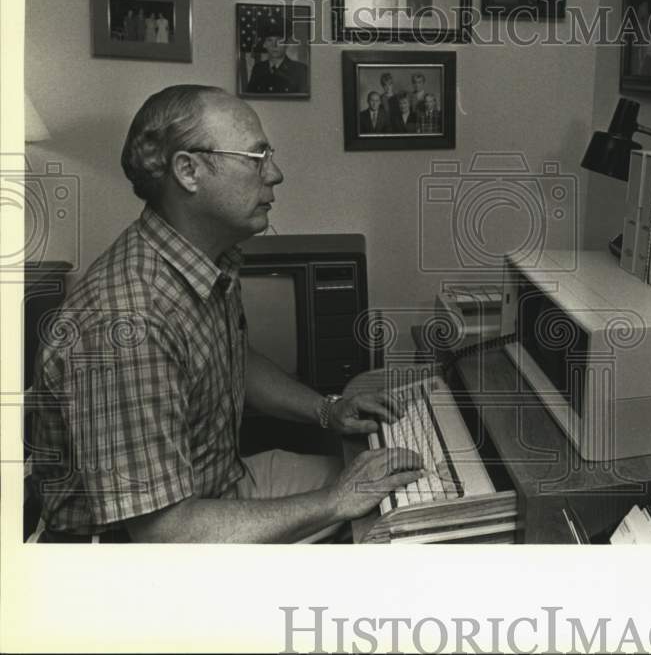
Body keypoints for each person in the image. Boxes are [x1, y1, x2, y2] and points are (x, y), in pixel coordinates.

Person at [30, 85, 423, 543]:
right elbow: (167, 535)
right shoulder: (128, 319)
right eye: (256, 158)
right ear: (188, 171)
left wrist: (327, 411)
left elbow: (231, 359)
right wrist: (337, 499)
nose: (275, 174)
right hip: (141, 550)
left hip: (216, 489)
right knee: (386, 528)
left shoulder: (202, 255)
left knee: (409, 486)